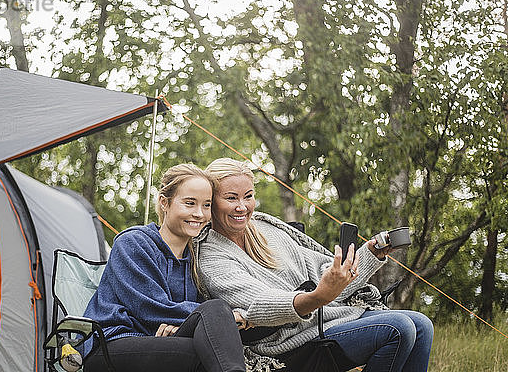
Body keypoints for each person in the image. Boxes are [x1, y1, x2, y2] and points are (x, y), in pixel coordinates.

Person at [196, 158, 434, 372]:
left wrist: (370, 253)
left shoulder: (267, 230)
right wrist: (319, 296)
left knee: (422, 325)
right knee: (398, 328)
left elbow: (326, 274)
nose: (242, 207)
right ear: (210, 202)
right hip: (288, 342)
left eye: (248, 196)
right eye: (231, 198)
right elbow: (259, 304)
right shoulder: (211, 256)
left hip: (327, 319)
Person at [83, 163, 247, 372]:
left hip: (161, 341)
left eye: (206, 205)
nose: (199, 214)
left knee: (212, 342)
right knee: (211, 337)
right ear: (164, 202)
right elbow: (151, 308)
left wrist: (178, 325)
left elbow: (179, 317)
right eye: (189, 203)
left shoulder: (196, 258)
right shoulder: (133, 243)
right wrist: (228, 315)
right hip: (112, 343)